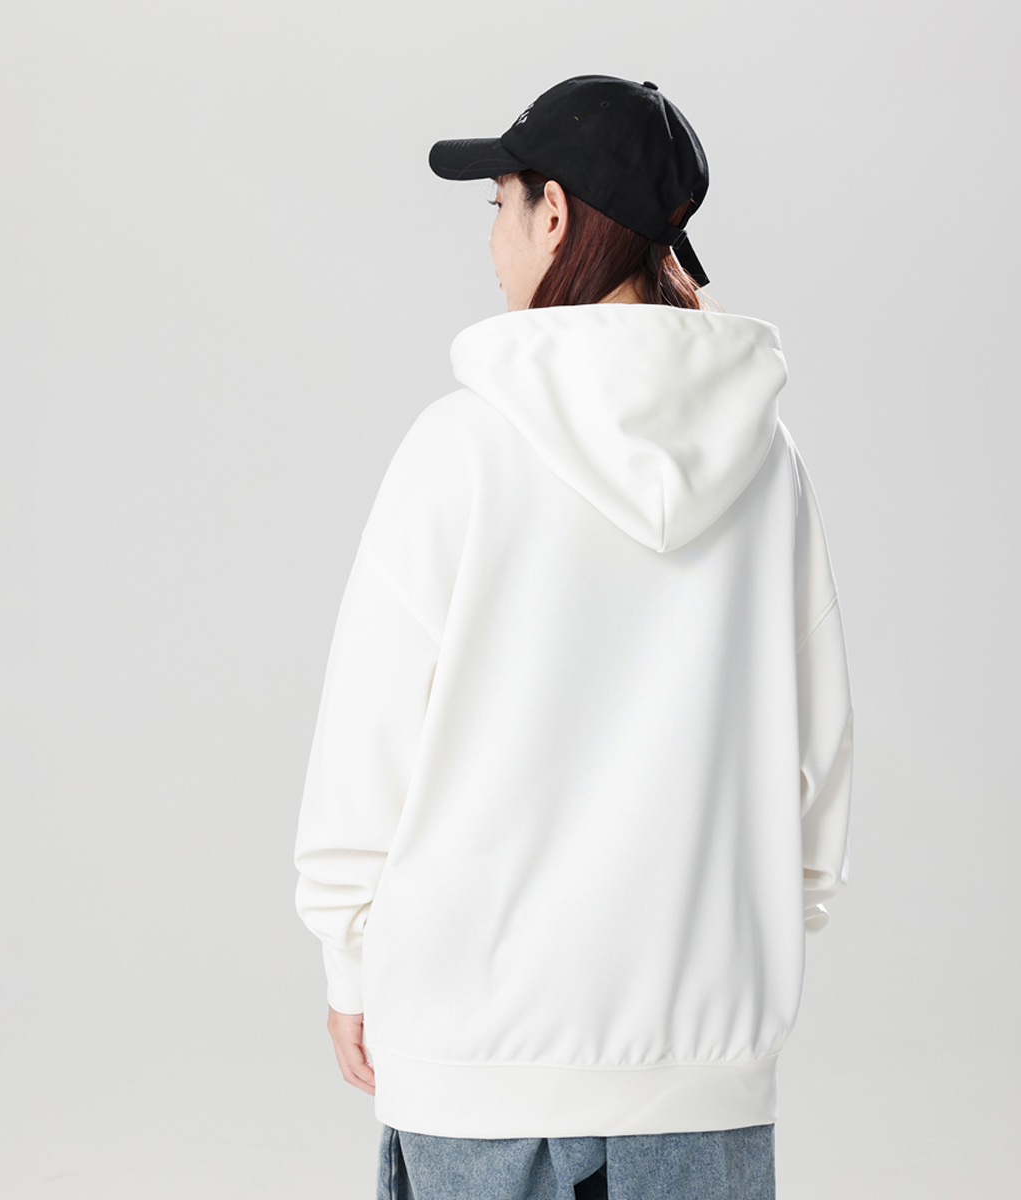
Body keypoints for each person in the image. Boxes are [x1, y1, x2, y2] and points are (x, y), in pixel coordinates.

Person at [294, 75, 853, 1200]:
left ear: (553, 214)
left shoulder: (460, 447)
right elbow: (817, 745)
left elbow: (369, 738)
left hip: (478, 1053)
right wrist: (755, 944)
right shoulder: (767, 462)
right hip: (704, 1066)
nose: (492, 240)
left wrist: (348, 956)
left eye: (498, 205)